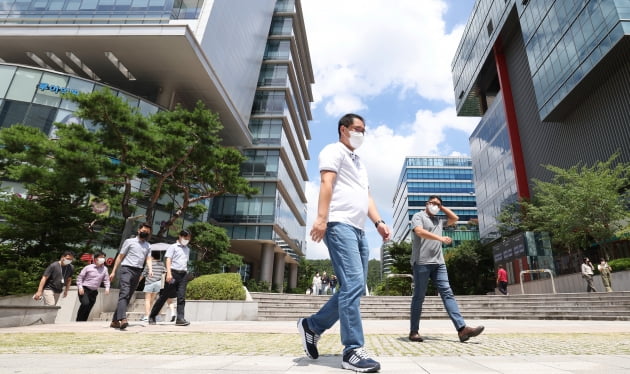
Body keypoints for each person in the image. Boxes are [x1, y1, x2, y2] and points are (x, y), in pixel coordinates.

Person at [299, 113, 389, 373]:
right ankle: (352, 350)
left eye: (364, 130)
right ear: (343, 129)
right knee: (352, 284)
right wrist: (321, 218)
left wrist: (379, 222)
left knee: (354, 287)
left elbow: (367, 195)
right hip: (339, 224)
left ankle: (312, 326)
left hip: (360, 230)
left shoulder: (359, 162)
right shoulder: (332, 151)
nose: (361, 134)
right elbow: (326, 182)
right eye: (357, 129)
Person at [408, 196, 484, 344]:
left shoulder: (439, 220)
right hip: (422, 262)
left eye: (438, 204)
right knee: (419, 297)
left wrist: (441, 207)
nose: (435, 206)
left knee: (447, 293)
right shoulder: (418, 216)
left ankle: (462, 329)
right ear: (427, 203)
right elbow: (419, 232)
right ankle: (414, 331)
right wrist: (440, 238)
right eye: (433, 203)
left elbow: (454, 218)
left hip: (439, 263)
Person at [109, 223, 153, 330]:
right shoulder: (129, 241)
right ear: (138, 230)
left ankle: (115, 321)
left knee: (128, 295)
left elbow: (148, 258)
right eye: (143, 230)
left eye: (147, 232)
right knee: (124, 292)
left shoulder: (148, 245)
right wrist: (113, 271)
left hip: (138, 271)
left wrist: (150, 269)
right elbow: (120, 256)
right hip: (126, 269)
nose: (145, 233)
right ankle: (123, 318)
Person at [149, 229, 192, 326]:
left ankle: (180, 318)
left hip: (183, 275)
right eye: (186, 238)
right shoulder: (173, 247)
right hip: (173, 274)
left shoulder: (187, 249)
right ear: (180, 237)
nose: (187, 240)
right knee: (164, 296)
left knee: (181, 297)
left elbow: (184, 262)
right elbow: (168, 260)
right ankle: (152, 315)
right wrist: (169, 273)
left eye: (188, 238)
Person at [140, 251, 175, 322]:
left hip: (149, 283)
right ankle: (152, 315)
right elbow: (164, 272)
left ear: (152, 256)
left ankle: (147, 316)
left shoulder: (149, 263)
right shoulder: (161, 264)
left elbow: (143, 273)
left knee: (147, 300)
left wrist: (138, 281)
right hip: (158, 284)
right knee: (152, 300)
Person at [75, 252, 110, 321]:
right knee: (85, 304)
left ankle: (83, 322)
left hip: (94, 291)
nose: (102, 259)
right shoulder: (88, 267)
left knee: (89, 307)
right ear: (95, 259)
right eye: (100, 257)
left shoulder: (105, 269)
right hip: (85, 289)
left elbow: (106, 280)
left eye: (103, 257)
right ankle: (78, 321)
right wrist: (80, 287)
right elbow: (80, 278)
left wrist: (107, 288)